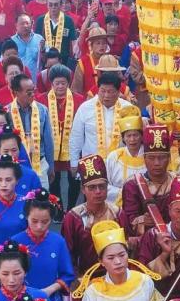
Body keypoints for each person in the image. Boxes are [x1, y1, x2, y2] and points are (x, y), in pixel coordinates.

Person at [12, 189, 75, 301]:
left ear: (51, 219)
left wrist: (47, 291)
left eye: (45, 222)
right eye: (34, 221)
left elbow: (67, 275)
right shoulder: (15, 241)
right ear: (26, 216)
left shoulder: (58, 242)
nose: (39, 226)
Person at [137, 176, 180, 299]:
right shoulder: (152, 235)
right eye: (177, 210)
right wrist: (164, 254)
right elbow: (143, 276)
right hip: (157, 297)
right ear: (169, 210)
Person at [38, 63, 84, 209]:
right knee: (53, 179)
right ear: (51, 83)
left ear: (68, 83)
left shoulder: (79, 100)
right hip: (51, 147)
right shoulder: (41, 100)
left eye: (63, 83)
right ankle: (58, 209)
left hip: (72, 147)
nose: (60, 87)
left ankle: (71, 208)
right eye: (57, 83)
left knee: (74, 179)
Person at [69, 71, 136, 169]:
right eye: (103, 91)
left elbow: (135, 138)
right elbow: (76, 137)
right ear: (98, 90)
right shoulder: (85, 108)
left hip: (121, 165)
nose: (106, 95)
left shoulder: (128, 108)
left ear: (118, 92)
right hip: (91, 165)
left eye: (110, 91)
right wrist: (74, 163)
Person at [8, 73, 55, 184]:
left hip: (40, 163)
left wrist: (51, 166)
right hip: (16, 164)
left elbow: (48, 141)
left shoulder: (42, 110)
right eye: (29, 92)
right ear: (16, 93)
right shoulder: (7, 112)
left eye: (34, 90)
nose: (33, 94)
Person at [0, 127, 40, 200]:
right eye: (6, 151)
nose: (10, 154)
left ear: (19, 150)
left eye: (14, 150)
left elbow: (38, 203)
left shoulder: (31, 175)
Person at [105, 108, 145, 205]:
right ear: (123, 138)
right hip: (118, 204)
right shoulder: (114, 157)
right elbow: (105, 185)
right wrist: (125, 193)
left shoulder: (149, 156)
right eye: (128, 136)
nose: (132, 139)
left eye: (135, 135)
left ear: (141, 136)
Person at [34, 0, 77, 66]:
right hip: (45, 61)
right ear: (47, 5)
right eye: (50, 5)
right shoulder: (40, 20)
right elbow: (36, 41)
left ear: (60, 5)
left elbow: (74, 41)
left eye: (56, 5)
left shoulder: (68, 20)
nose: (53, 7)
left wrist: (75, 55)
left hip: (64, 61)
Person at [71, 25, 109, 97]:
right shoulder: (83, 62)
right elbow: (76, 90)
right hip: (88, 101)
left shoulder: (111, 60)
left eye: (104, 43)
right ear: (91, 45)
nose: (101, 46)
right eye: (98, 43)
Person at [11, 11, 44, 79]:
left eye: (27, 23)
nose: (25, 26)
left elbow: (46, 60)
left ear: (31, 24)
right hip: (17, 80)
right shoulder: (11, 41)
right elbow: (4, 62)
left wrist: (43, 51)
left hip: (36, 80)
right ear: (16, 25)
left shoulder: (39, 39)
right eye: (22, 23)